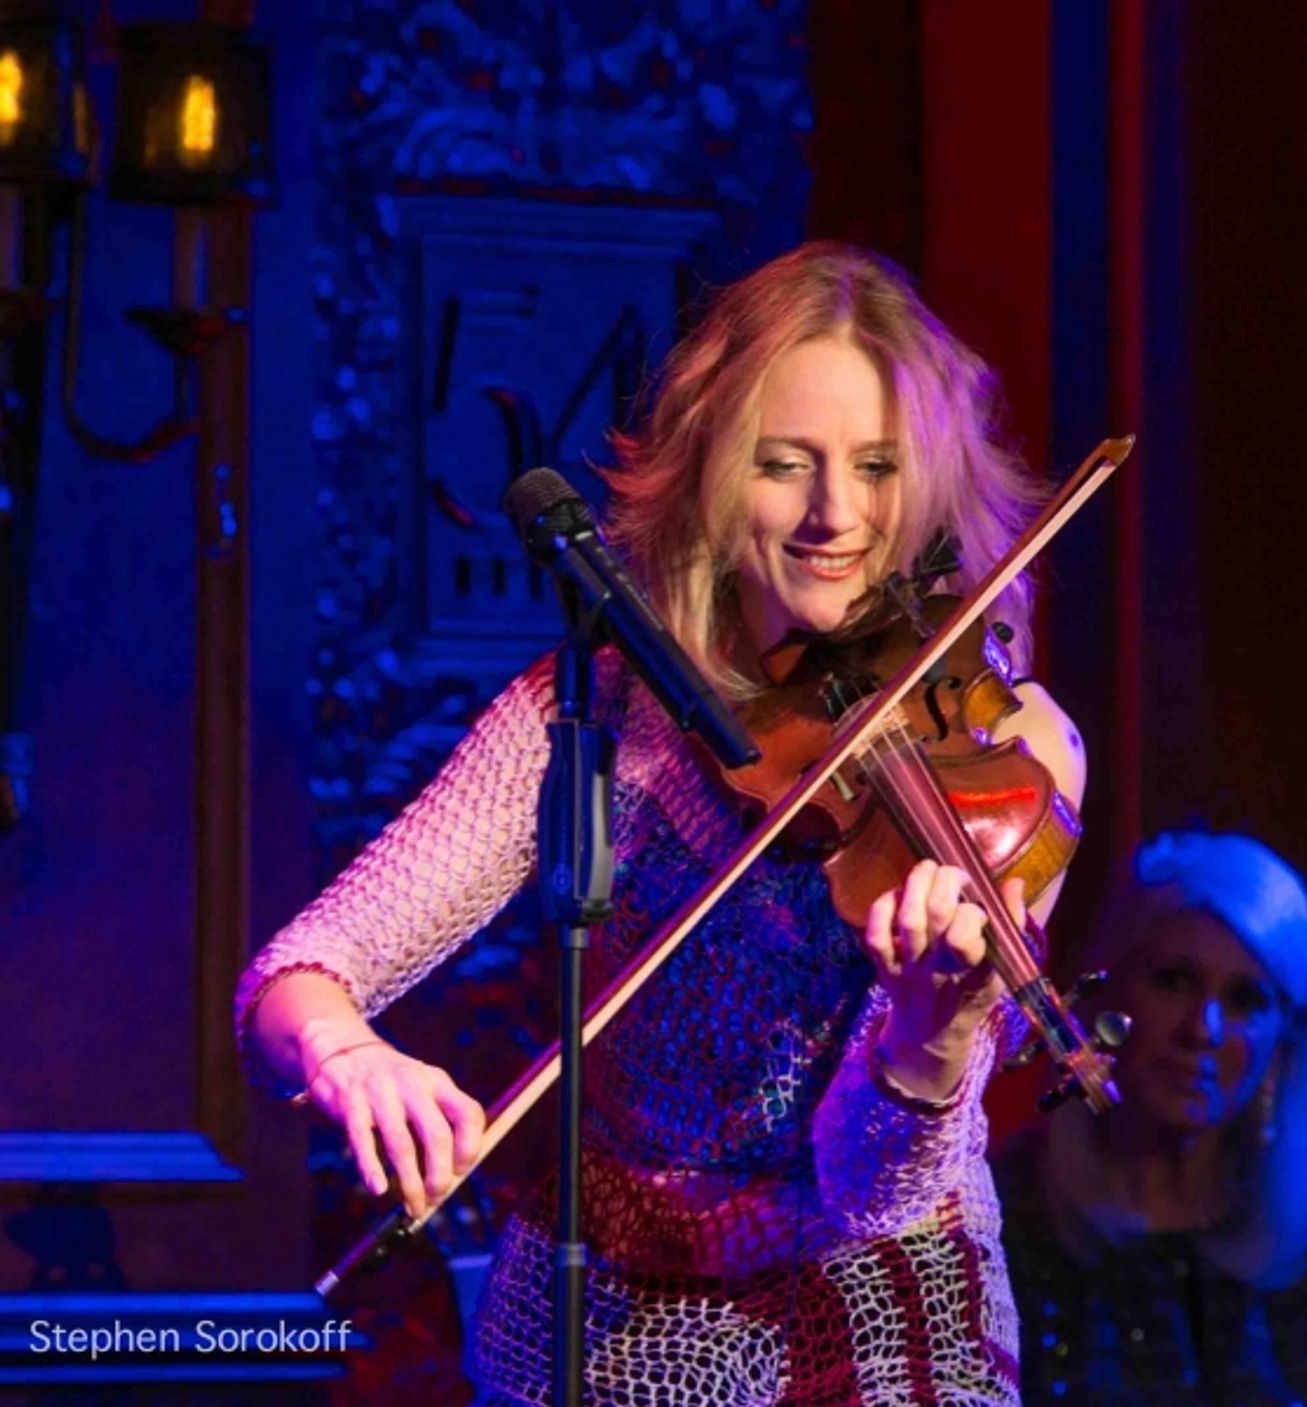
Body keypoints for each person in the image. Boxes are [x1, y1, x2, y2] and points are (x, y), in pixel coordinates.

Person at [236, 241, 1086, 1406]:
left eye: (878, 467)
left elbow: (866, 1192)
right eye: (785, 466)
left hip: (880, 1320)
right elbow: (296, 973)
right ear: (709, 472)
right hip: (597, 1317)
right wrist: (347, 1055)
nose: (835, 516)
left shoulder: (1001, 757)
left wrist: (931, 1030)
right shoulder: (586, 714)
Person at [992, 830, 1307, 1405]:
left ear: (1287, 1038)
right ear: (1110, 993)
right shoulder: (1003, 1218)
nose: (1202, 1032)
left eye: (1245, 1000)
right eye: (1174, 981)